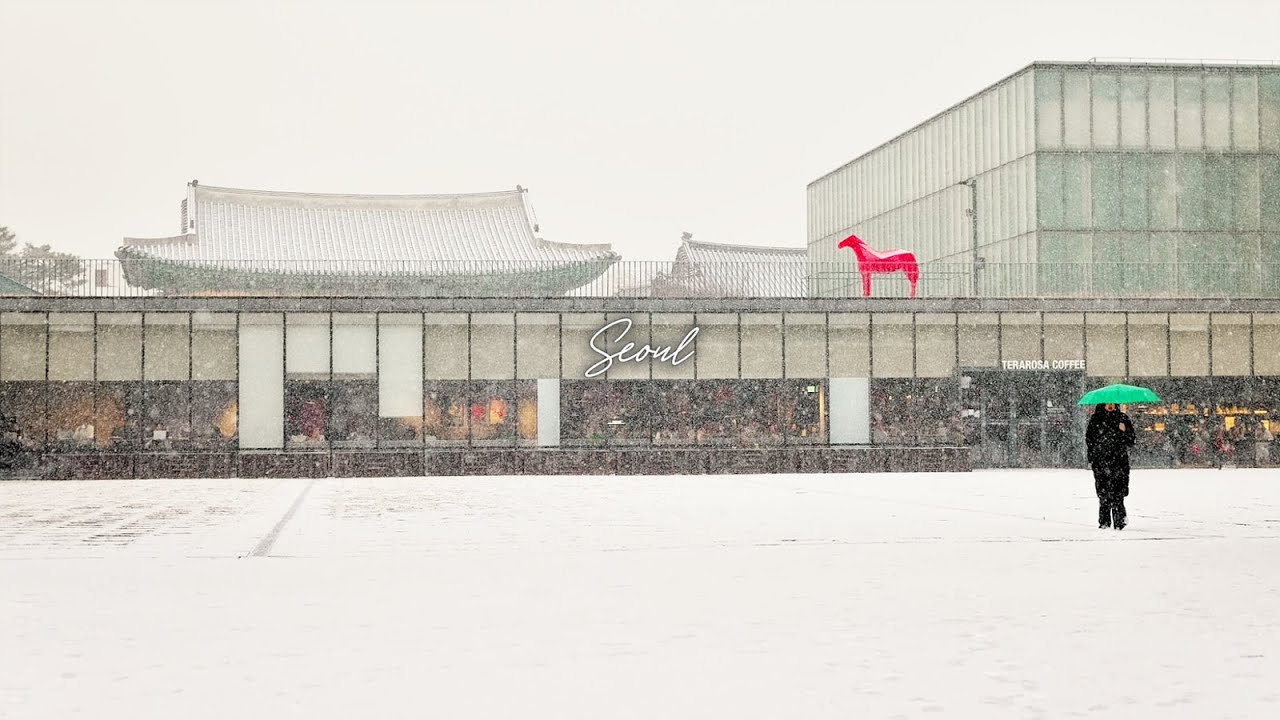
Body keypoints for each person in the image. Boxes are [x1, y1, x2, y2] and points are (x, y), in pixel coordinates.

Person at [1085, 403, 1136, 530]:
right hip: (1101, 462)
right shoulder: (1096, 419)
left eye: (1112, 403)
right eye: (1107, 403)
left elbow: (1131, 440)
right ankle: (1104, 521)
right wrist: (1093, 457)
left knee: (1118, 492)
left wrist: (1124, 431)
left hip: (1118, 461)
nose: (1110, 406)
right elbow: (1090, 440)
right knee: (1103, 492)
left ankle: (1119, 520)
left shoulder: (1122, 419)